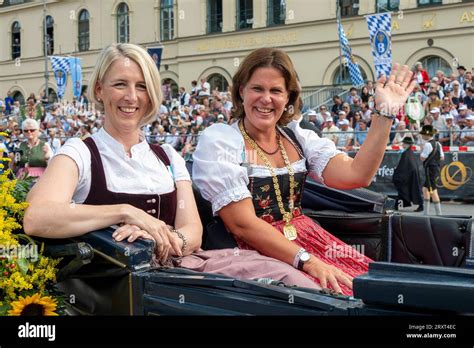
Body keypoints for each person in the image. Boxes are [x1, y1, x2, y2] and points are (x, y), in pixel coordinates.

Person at [24, 43, 320, 289]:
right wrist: (127, 212)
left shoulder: (167, 155)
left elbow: (192, 229)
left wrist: (168, 239)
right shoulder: (80, 152)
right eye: (120, 85)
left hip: (183, 268)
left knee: (296, 283)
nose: (131, 96)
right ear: (99, 90)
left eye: (141, 86)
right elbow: (37, 216)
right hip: (118, 285)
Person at [193, 47, 415, 295]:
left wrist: (383, 116)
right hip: (252, 250)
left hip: (306, 236)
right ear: (241, 91)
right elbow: (242, 224)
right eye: (257, 88)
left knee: (368, 286)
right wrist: (308, 261)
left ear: (288, 97)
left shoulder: (298, 137)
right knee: (331, 296)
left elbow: (357, 175)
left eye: (276, 91)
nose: (266, 99)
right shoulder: (221, 140)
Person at [392, 137, 424, 212]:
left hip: (409, 175)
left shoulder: (406, 153)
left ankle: (420, 205)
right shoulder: (409, 153)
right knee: (408, 190)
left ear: (407, 144)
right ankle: (397, 205)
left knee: (405, 189)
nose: (402, 144)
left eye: (404, 143)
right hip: (411, 174)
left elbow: (403, 166)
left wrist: (397, 174)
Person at [419, 125, 445, 216]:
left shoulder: (427, 144)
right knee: (425, 189)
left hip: (429, 169)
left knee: (433, 190)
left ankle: (439, 213)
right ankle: (426, 212)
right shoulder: (438, 144)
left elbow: (422, 158)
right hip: (436, 168)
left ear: (426, 135)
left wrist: (422, 150)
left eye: (423, 134)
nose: (422, 136)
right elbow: (442, 157)